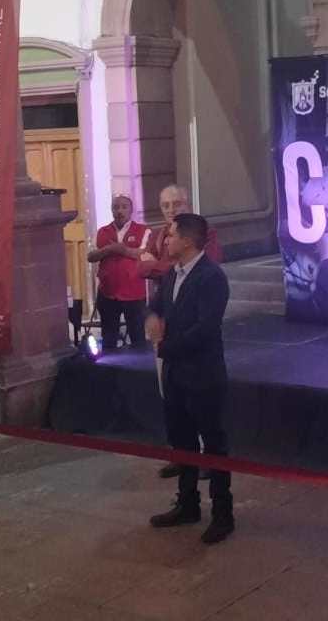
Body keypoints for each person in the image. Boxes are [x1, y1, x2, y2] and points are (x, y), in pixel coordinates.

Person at [145, 214, 234, 544]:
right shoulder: (172, 273)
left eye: (170, 235)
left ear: (187, 240)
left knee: (213, 444)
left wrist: (166, 346)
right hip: (175, 373)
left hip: (202, 374)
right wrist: (152, 317)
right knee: (182, 441)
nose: (165, 240)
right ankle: (187, 503)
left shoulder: (211, 277)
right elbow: (156, 305)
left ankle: (223, 513)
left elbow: (205, 328)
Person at [139, 183, 223, 480]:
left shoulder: (207, 258)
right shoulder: (171, 266)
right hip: (168, 346)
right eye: (165, 205)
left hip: (195, 355)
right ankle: (182, 454)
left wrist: (155, 264)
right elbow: (143, 274)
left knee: (201, 409)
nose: (171, 210)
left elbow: (205, 326)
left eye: (176, 204)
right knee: (173, 404)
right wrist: (152, 316)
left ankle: (207, 459)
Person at [87, 195, 150, 350]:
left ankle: (139, 363)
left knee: (137, 336)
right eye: (116, 207)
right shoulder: (102, 231)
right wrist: (109, 249)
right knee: (109, 337)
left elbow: (143, 254)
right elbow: (91, 256)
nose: (120, 211)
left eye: (124, 207)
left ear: (131, 210)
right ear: (111, 210)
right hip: (108, 292)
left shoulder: (143, 230)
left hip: (134, 292)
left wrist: (122, 250)